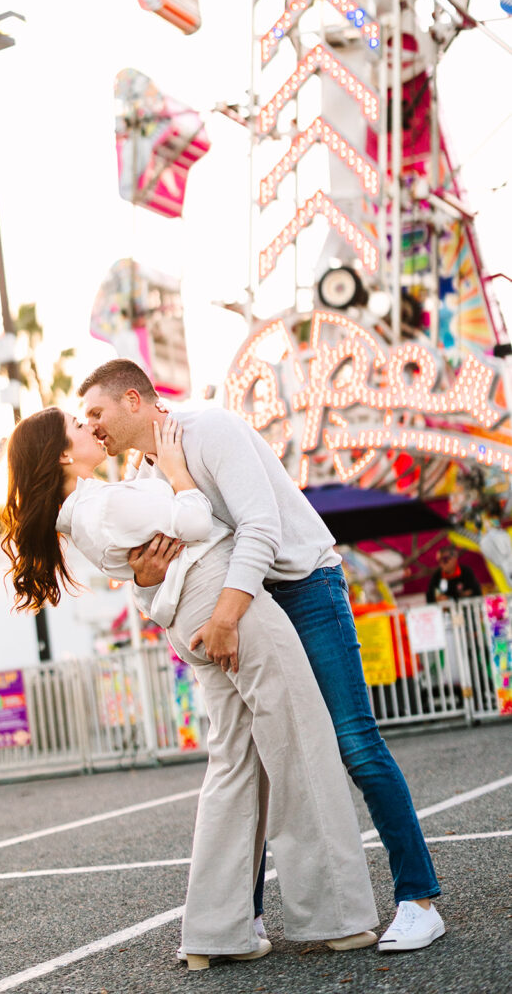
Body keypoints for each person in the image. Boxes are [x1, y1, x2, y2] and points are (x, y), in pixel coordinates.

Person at [78, 358, 446, 954]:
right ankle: (242, 919)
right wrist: (145, 580)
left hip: (303, 587)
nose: (90, 425)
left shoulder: (208, 430)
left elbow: (261, 525)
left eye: (96, 412)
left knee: (353, 739)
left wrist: (225, 617)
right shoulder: (147, 472)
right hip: (250, 602)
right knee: (250, 758)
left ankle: (418, 899)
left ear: (133, 399)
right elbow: (170, 566)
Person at [0, 406, 378, 970]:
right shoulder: (101, 501)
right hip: (223, 602)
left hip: (187, 615)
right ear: (60, 454)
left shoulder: (80, 515)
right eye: (79, 426)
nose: (91, 429)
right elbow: (195, 523)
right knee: (301, 739)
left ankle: (215, 932)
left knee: (235, 763)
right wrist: (177, 472)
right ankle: (338, 917)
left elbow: (150, 568)